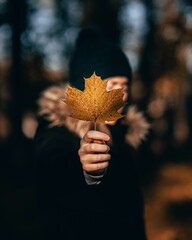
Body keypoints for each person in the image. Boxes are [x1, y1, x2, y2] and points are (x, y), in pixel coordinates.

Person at [34, 28, 150, 240]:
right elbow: (54, 169)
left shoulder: (125, 134)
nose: (121, 94)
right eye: (113, 84)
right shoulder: (57, 130)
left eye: (125, 85)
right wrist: (87, 172)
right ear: (85, 88)